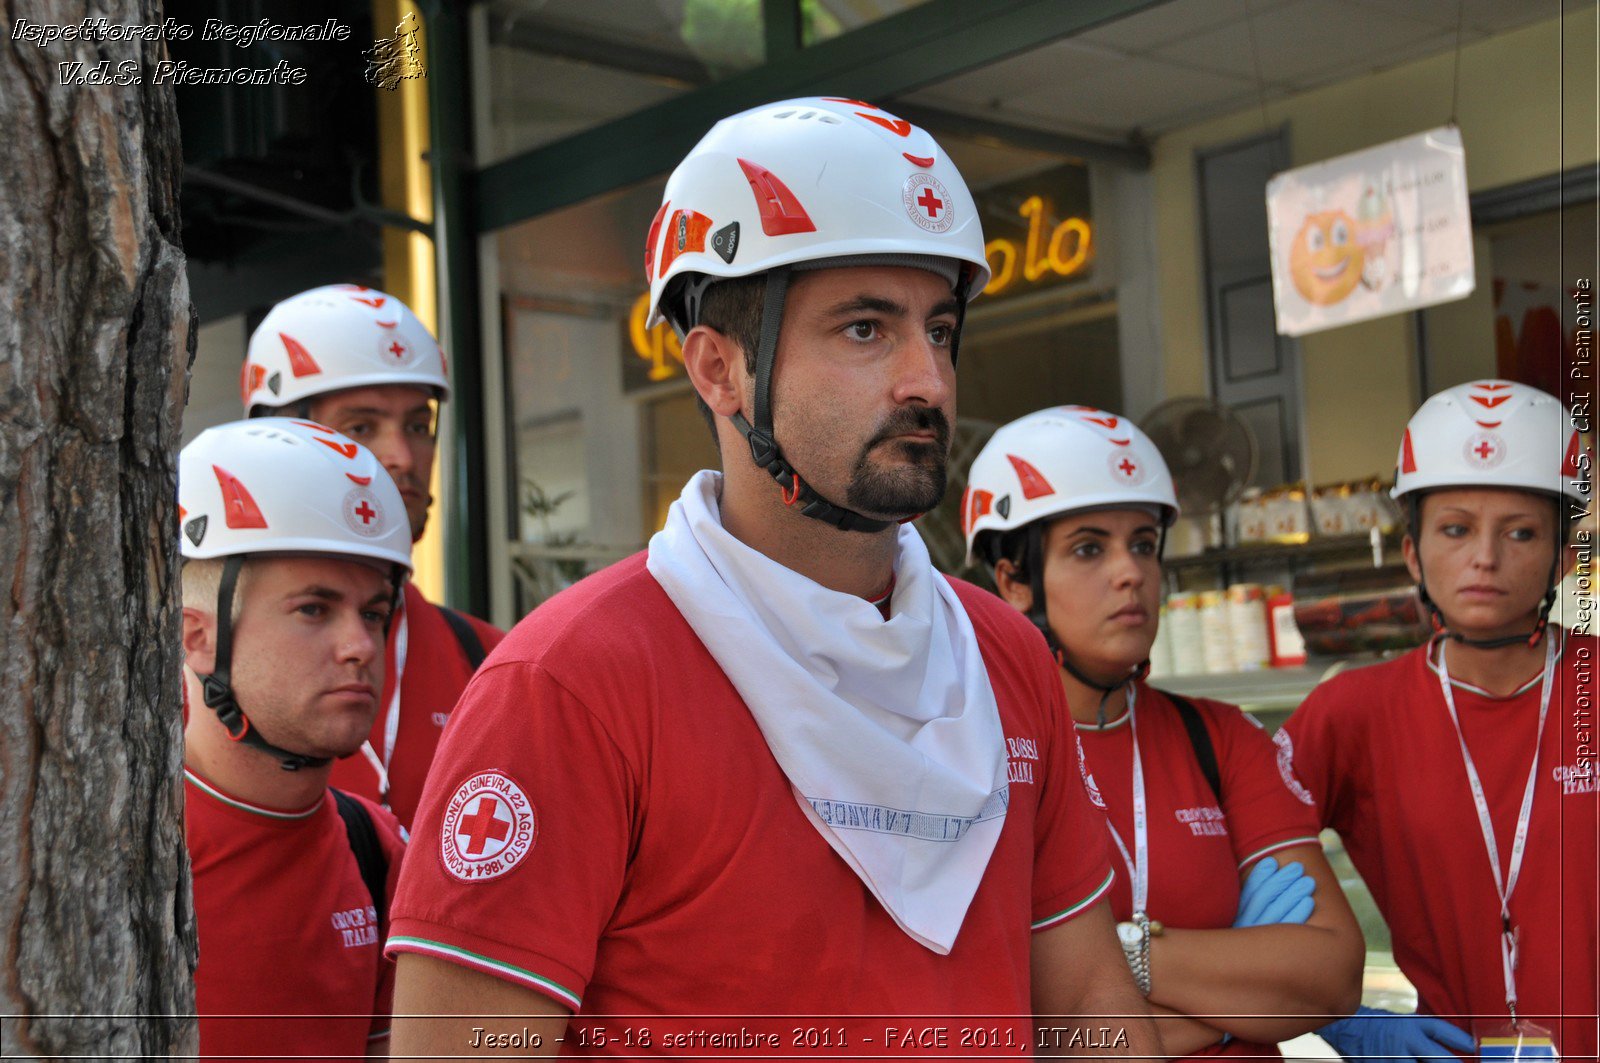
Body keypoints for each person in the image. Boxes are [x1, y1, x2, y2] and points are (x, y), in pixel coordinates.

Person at [385, 96, 1162, 1057]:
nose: (927, 379)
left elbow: (1090, 1007)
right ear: (718, 369)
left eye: (942, 329)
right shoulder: (569, 683)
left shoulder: (1005, 653)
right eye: (867, 329)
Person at [964, 406, 1365, 1058]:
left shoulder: (1222, 735)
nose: (1130, 572)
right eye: (1089, 547)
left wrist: (1125, 954)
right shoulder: (977, 751)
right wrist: (1236, 1004)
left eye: (1144, 544)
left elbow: (1333, 975)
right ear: (1014, 579)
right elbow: (1013, 1020)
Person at [1283, 379, 1596, 1061]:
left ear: (1564, 558)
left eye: (1521, 532)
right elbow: (1221, 871)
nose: (1485, 557)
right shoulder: (1351, 713)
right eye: (1455, 529)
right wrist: (1342, 1015)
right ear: (1413, 553)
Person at [179, 417, 413, 1058]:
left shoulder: (382, 852)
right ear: (197, 637)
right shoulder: (113, 854)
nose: (360, 646)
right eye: (315, 608)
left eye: (374, 612)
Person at [241, 285, 503, 829]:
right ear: (277, 439)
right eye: (360, 428)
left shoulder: (494, 660)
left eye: (417, 425)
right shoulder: (201, 661)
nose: (402, 459)